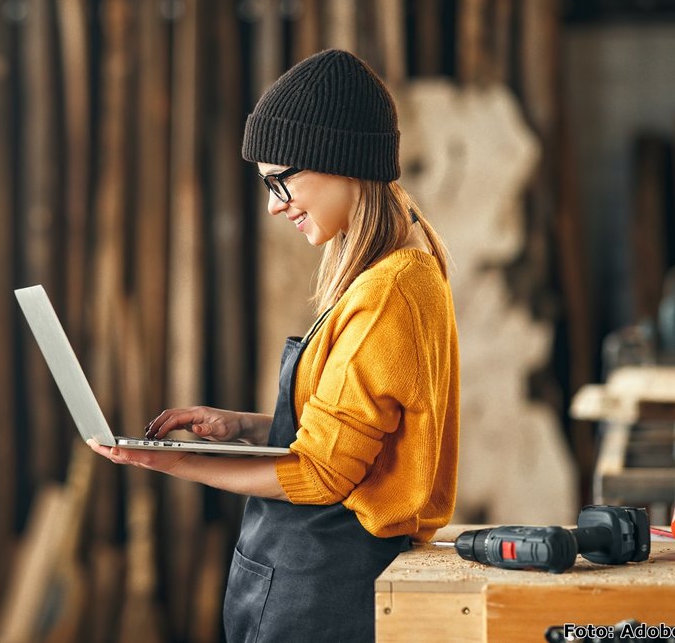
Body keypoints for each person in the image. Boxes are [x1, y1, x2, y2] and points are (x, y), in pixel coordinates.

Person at [88, 49, 460, 642]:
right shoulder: (398, 266)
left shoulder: (391, 288)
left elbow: (320, 475)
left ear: (338, 159)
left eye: (280, 179)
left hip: (326, 592)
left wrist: (172, 461)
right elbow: (356, 440)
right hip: (313, 580)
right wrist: (241, 427)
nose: (273, 203)